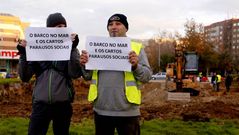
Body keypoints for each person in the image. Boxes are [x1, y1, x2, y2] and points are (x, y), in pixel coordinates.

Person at [80, 13, 152, 135]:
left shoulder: (136, 48)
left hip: (128, 111)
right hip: (101, 110)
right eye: (110, 24)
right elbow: (87, 76)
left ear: (126, 28)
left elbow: (146, 76)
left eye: (118, 24)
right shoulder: (96, 48)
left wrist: (135, 66)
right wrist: (84, 64)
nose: (114, 27)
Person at [17, 12, 82, 135]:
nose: (62, 28)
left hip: (63, 105)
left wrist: (73, 48)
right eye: (58, 26)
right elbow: (25, 76)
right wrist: (23, 54)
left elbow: (75, 73)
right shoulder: (37, 48)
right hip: (40, 105)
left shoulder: (70, 48)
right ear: (49, 30)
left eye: (64, 26)